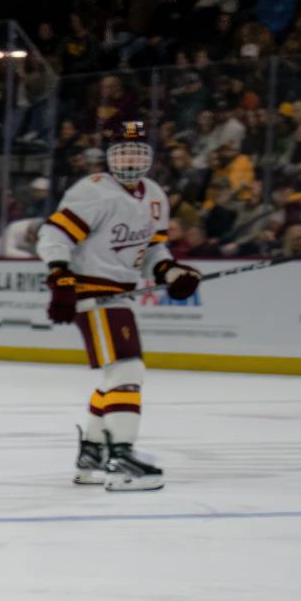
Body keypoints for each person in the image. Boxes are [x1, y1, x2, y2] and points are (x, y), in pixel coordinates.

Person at [40, 119, 199, 492]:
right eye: (123, 152)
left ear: (149, 157)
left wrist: (170, 271)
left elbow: (153, 249)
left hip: (118, 296)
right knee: (129, 370)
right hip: (93, 294)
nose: (130, 160)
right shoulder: (93, 191)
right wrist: (60, 276)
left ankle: (94, 454)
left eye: (137, 152)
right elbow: (54, 234)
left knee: (117, 376)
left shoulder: (155, 195)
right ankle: (121, 458)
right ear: (110, 157)